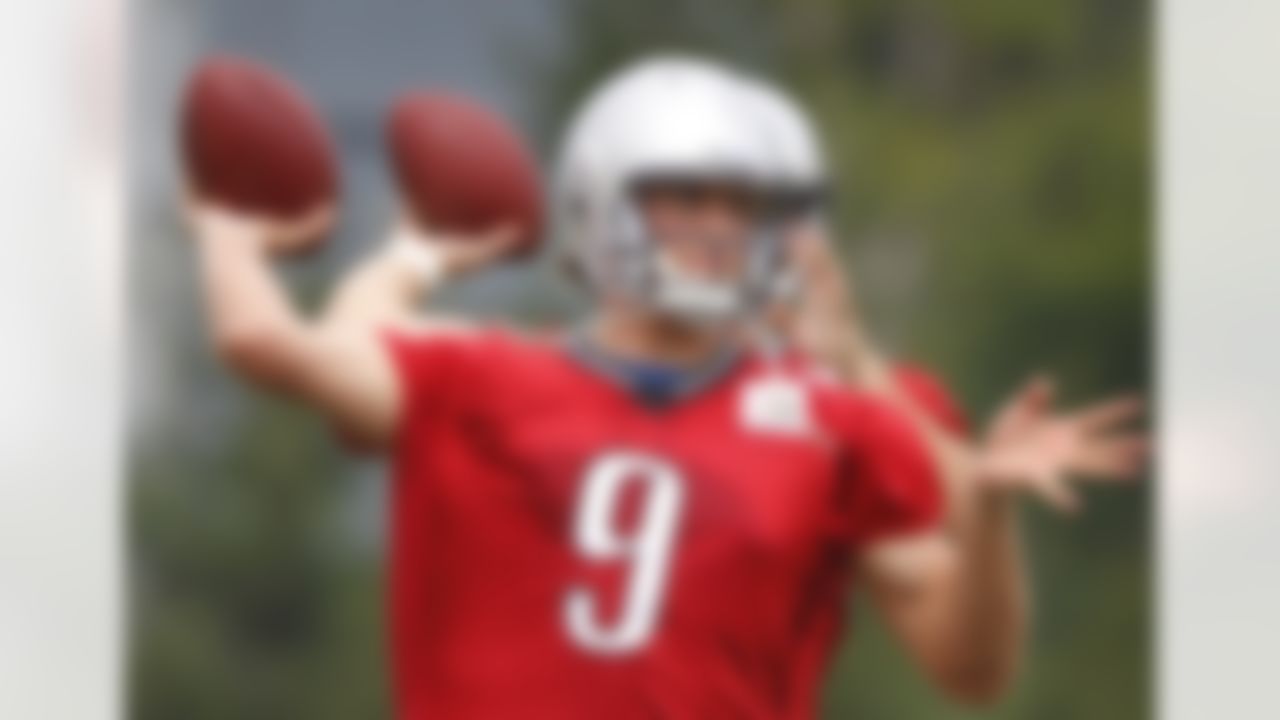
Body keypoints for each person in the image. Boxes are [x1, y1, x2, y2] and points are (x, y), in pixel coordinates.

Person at [187, 57, 1144, 719]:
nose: (718, 228)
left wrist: (987, 514)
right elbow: (272, 341)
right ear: (606, 196)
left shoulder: (831, 420)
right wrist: (269, 235)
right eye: (686, 196)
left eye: (748, 205)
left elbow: (973, 671)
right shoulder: (483, 376)